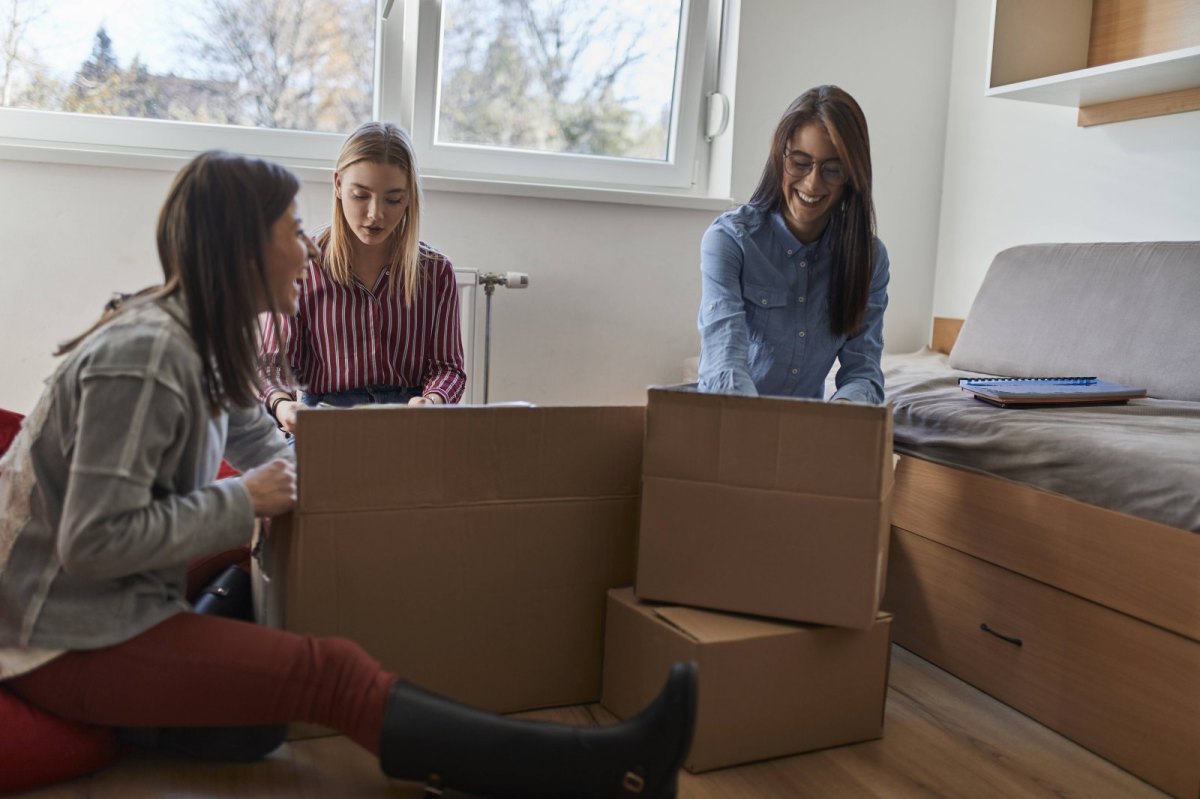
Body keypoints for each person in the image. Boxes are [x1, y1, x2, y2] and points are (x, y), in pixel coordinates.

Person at [0, 151, 697, 798]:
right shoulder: (148, 353)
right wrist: (241, 499)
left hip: (110, 603)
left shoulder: (209, 340)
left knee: (255, 656)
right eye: (293, 229)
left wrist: (381, 504)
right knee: (327, 671)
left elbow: (272, 450)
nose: (309, 246)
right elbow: (93, 539)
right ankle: (607, 766)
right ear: (243, 247)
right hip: (58, 634)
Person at [260, 122, 467, 434]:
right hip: (325, 420)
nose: (375, 214)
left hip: (410, 423)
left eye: (393, 199)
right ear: (338, 185)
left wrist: (433, 401)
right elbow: (272, 365)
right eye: (360, 195)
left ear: (409, 197)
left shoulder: (436, 272)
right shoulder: (298, 264)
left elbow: (447, 368)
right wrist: (281, 404)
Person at [697, 85, 889, 404]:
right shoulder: (729, 240)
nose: (812, 183)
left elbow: (863, 372)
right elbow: (724, 363)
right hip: (729, 417)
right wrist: (761, 424)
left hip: (805, 430)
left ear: (852, 175)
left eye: (833, 170)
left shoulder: (869, 258)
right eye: (800, 163)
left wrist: (841, 417)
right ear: (780, 157)